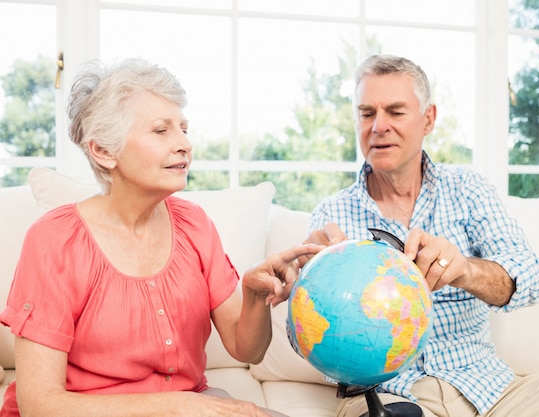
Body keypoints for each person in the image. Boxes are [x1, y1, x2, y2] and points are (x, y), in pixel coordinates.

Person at [303, 54, 539, 417]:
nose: (379, 126)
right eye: (366, 113)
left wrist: (464, 270)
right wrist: (313, 283)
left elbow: (531, 279)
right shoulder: (332, 216)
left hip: (490, 390)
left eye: (395, 111)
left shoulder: (467, 189)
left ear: (429, 119)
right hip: (391, 397)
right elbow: (306, 338)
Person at [0, 58, 322, 417]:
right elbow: (40, 405)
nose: (184, 143)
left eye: (183, 128)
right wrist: (177, 407)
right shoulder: (55, 240)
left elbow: (248, 351)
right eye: (161, 130)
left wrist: (253, 296)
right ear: (104, 151)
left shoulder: (194, 224)